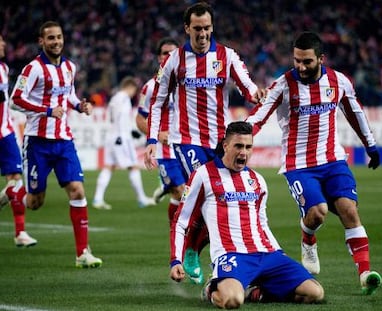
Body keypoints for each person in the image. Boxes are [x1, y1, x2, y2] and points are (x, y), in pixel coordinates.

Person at [246, 31, 382, 294]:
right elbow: (258, 117)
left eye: (307, 61)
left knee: (349, 210)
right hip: (299, 165)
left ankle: (365, 274)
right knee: (318, 211)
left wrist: (371, 145)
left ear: (321, 58)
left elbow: (355, 113)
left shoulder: (338, 81)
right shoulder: (283, 85)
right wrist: (237, 136)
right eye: (297, 60)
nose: (301, 66)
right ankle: (308, 238)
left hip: (332, 160)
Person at [144, 1, 265, 284]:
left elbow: (247, 86)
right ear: (187, 28)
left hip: (221, 141)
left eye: (207, 28)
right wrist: (151, 139)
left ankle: (193, 250)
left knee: (222, 200)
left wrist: (256, 93)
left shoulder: (227, 56)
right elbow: (158, 101)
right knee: (207, 192)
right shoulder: (173, 60)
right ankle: (189, 253)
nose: (202, 34)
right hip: (187, 141)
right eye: (197, 28)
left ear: (212, 27)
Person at [170, 121, 324, 309]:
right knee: (232, 300)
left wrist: (278, 251)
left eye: (248, 147)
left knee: (315, 293)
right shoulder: (203, 175)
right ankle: (212, 287)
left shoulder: (257, 180)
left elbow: (262, 223)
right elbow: (181, 221)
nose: (244, 152)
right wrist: (175, 260)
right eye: (238, 146)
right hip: (232, 255)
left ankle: (255, 291)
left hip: (267, 254)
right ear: (225, 146)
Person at [9, 21, 102, 268]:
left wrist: (79, 106)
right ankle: (14, 191)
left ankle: (82, 253)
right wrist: (47, 111)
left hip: (64, 141)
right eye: (51, 38)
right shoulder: (33, 69)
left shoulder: (70, 67)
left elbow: (68, 96)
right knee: (35, 202)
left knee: (77, 191)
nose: (56, 42)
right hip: (37, 143)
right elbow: (15, 100)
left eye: (59, 37)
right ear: (42, 41)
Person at [136, 37, 186, 221]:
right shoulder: (150, 87)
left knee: (185, 194)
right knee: (182, 194)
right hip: (166, 152)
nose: (170, 56)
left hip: (188, 147)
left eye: (173, 53)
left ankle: (166, 187)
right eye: (166, 53)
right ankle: (178, 233)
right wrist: (156, 135)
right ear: (159, 58)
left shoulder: (188, 85)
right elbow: (140, 119)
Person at [92, 76, 155, 210]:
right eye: (134, 90)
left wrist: (130, 130)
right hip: (121, 137)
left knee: (109, 166)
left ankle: (98, 199)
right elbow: (121, 117)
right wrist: (122, 134)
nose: (133, 93)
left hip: (112, 135)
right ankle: (142, 199)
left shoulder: (115, 97)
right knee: (133, 166)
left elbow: (112, 117)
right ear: (130, 87)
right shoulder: (124, 98)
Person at [0, 34, 37, 247]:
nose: (4, 44)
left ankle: (20, 232)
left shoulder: (4, 69)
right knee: (16, 181)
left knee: (15, 179)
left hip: (5, 134)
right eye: (0, 41)